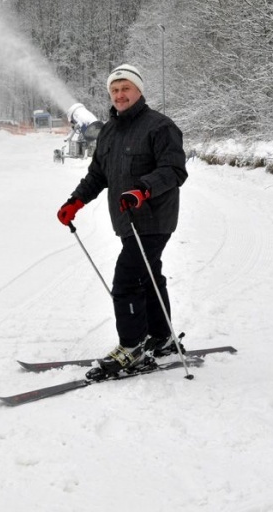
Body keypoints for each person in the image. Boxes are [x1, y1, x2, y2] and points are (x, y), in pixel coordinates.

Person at [56, 63, 188, 376]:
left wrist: (143, 189)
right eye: (114, 90)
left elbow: (174, 170)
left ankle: (132, 347)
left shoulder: (160, 127)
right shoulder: (109, 132)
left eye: (125, 88)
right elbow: (97, 174)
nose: (119, 94)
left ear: (139, 90)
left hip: (154, 218)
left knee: (127, 279)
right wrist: (76, 201)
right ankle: (162, 337)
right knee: (148, 276)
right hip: (126, 221)